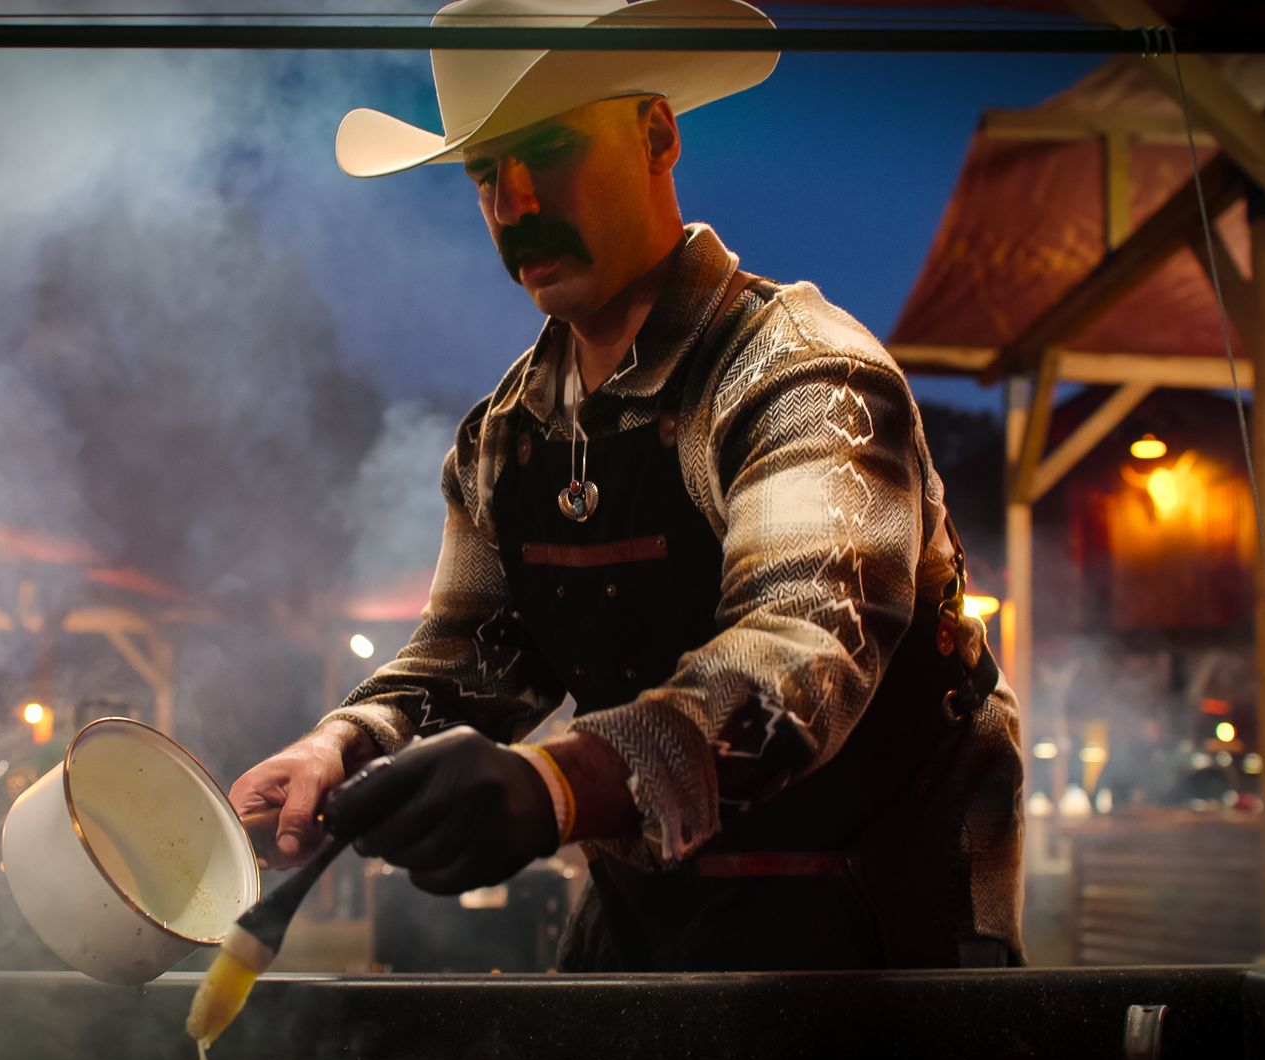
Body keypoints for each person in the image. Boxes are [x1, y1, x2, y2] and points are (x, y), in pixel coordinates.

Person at [228, 0, 1025, 971]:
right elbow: (471, 660)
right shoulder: (503, 438)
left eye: (548, 150)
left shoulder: (806, 376)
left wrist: (553, 788)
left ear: (657, 134)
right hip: (649, 931)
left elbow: (802, 655)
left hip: (885, 955)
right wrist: (343, 748)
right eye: (487, 175)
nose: (515, 204)